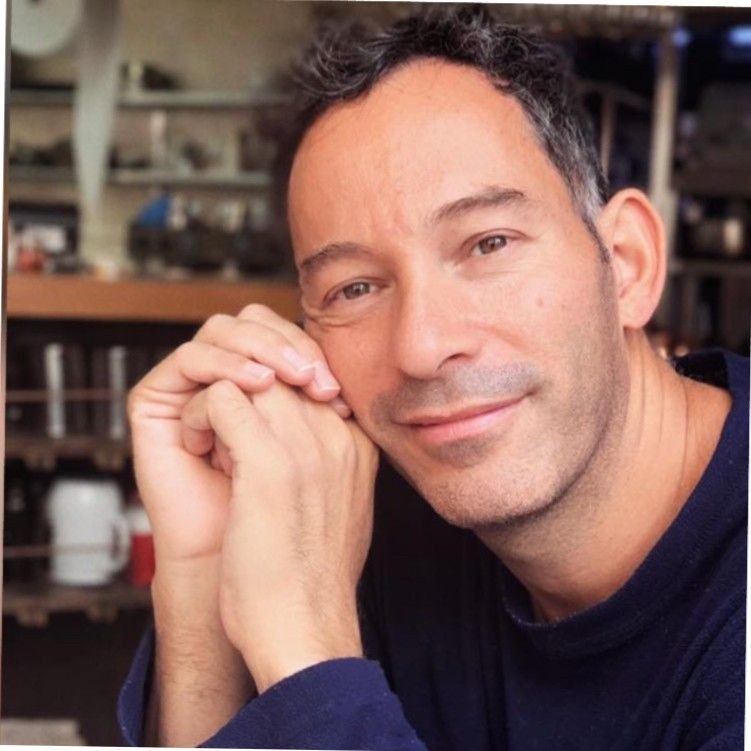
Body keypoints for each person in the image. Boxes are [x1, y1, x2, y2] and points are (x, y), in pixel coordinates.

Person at [118, 6, 747, 750]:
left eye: (487, 243)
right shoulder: (362, 521)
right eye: (354, 288)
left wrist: (311, 659)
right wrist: (202, 580)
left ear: (628, 266)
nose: (420, 346)